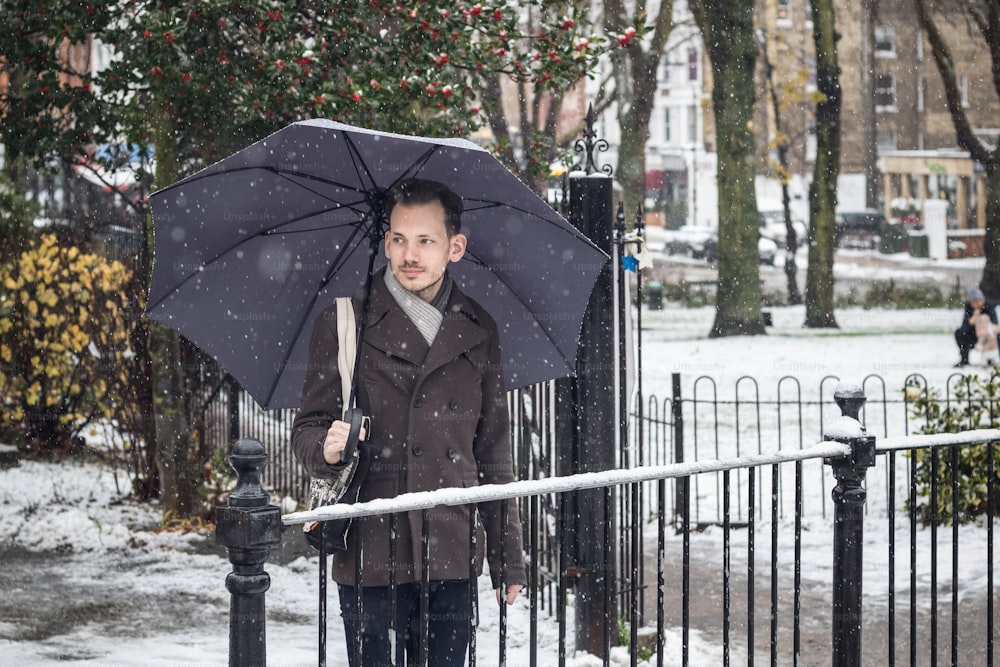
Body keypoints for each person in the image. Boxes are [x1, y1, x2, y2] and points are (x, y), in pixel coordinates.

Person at [291, 178, 525, 667]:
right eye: (398, 239)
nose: (409, 255)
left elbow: (493, 452)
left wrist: (508, 558)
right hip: (370, 544)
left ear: (454, 247)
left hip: (451, 542)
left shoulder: (479, 329)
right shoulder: (344, 321)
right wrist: (328, 448)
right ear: (386, 242)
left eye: (425, 241)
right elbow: (308, 428)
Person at [954, 286, 998, 367]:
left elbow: (994, 324)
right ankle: (964, 359)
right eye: (974, 302)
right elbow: (964, 327)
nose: (977, 304)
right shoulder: (969, 309)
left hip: (988, 335)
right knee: (960, 333)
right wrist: (971, 321)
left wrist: (983, 324)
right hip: (974, 335)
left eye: (979, 301)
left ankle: (990, 358)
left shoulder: (989, 307)